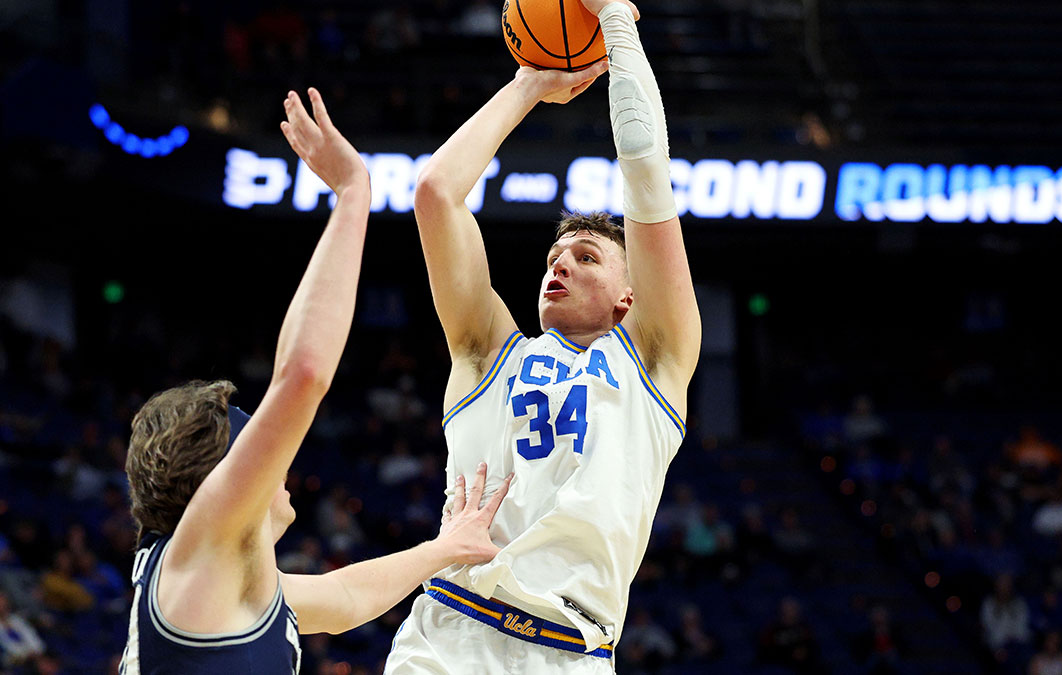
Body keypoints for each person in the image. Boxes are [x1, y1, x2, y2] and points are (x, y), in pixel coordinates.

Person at [118, 88, 512, 674]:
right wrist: (353, 194)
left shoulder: (222, 579)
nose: (278, 460)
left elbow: (346, 599)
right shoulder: (199, 553)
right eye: (260, 449)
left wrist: (444, 549)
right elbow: (302, 374)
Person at [383, 0, 702, 670]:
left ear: (629, 296)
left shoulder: (656, 360)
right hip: (447, 637)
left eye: (586, 256)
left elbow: (645, 168)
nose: (561, 262)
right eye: (556, 255)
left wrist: (615, 20)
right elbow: (437, 192)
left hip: (566, 648)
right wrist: (530, 81)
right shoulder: (486, 355)